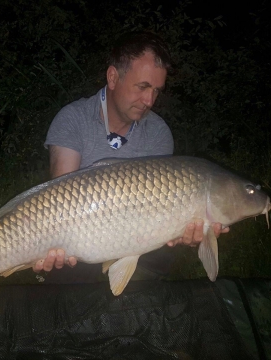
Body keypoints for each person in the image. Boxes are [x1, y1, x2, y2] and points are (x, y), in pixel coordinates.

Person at [34, 31, 229, 274]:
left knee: (155, 263)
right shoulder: (73, 119)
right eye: (142, 87)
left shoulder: (158, 132)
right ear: (113, 77)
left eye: (157, 90)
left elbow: (162, 210)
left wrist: (181, 230)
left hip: (135, 243)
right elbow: (59, 201)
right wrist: (52, 246)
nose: (149, 100)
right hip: (78, 243)